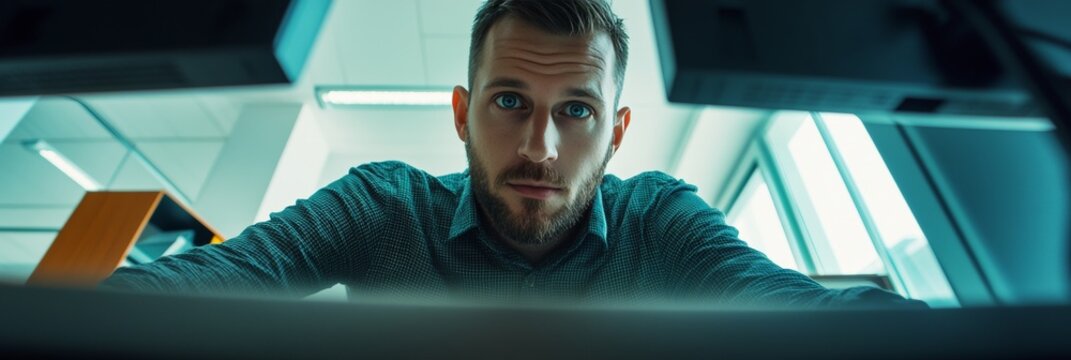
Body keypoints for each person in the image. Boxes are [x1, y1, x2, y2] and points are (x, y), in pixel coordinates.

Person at [101, 0, 924, 308]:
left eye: (576, 111)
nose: (539, 147)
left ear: (617, 133)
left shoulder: (661, 219)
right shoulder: (384, 205)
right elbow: (225, 274)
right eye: (508, 104)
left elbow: (775, 298)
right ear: (462, 114)